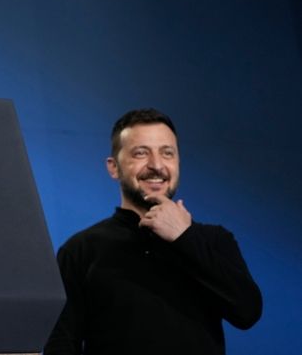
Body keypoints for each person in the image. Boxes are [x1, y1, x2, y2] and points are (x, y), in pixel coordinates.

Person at [44, 108, 262, 355]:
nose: (156, 165)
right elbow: (60, 343)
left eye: (167, 153)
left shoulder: (214, 240)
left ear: (178, 162)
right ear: (113, 167)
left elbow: (247, 312)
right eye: (141, 153)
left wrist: (184, 238)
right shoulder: (81, 250)